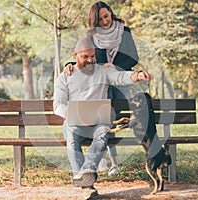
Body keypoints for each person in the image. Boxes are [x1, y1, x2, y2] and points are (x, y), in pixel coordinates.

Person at [53, 37, 150, 197]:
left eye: (92, 56)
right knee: (71, 134)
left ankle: (87, 171)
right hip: (75, 121)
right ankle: (84, 184)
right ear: (75, 55)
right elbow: (58, 105)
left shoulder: (103, 71)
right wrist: (72, 113)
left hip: (99, 122)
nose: (90, 60)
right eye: (85, 57)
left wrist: (136, 76)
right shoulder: (65, 77)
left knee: (103, 133)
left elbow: (120, 77)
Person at [64, 1, 139, 176]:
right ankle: (101, 158)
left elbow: (133, 58)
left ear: (110, 13)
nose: (105, 21)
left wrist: (114, 65)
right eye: (100, 19)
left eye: (106, 16)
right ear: (95, 21)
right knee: (102, 118)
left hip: (120, 81)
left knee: (113, 119)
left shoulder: (124, 32)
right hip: (100, 83)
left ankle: (113, 162)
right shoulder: (92, 36)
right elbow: (85, 57)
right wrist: (70, 65)